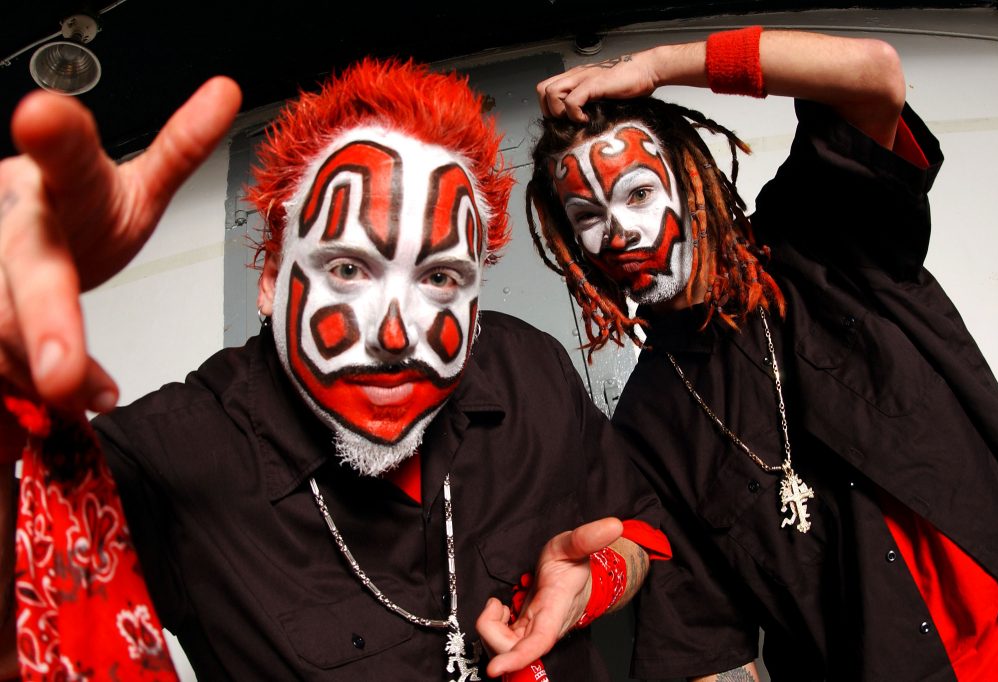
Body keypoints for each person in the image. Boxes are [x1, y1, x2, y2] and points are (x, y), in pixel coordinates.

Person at [0, 58, 670, 680]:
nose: (396, 332)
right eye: (349, 269)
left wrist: (592, 586)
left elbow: (639, 529)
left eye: (439, 277)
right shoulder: (173, 454)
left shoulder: (529, 368)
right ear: (270, 279)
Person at [527, 26, 998, 681]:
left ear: (689, 180)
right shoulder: (645, 426)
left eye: (637, 192)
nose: (620, 229)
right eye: (588, 214)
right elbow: (705, 645)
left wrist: (660, 65)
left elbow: (874, 73)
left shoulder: (817, 232)